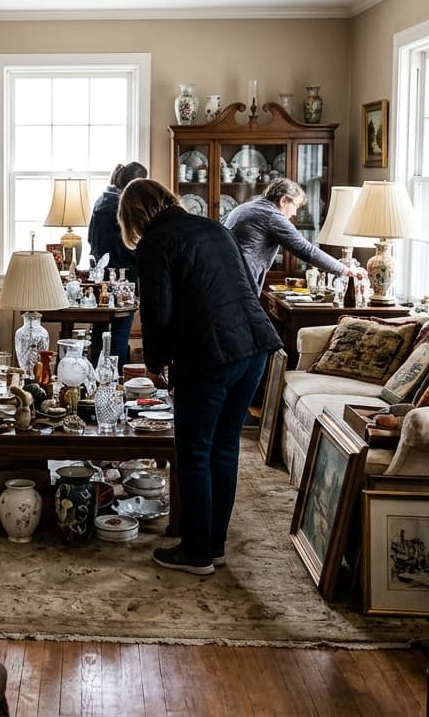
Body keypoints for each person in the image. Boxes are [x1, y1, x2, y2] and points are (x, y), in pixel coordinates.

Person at [118, 178, 282, 575]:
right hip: (256, 346)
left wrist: (154, 365)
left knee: (192, 453)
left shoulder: (155, 243)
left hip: (210, 356)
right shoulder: (213, 227)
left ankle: (195, 553)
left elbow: (157, 313)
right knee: (223, 449)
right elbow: (243, 286)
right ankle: (214, 545)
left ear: (133, 217)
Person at [223, 178, 364, 296]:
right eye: (295, 205)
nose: (295, 212)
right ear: (283, 200)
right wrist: (344, 270)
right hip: (241, 283)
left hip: (225, 277)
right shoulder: (272, 215)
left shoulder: (245, 207)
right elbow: (306, 250)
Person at [86, 161, 148, 366]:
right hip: (123, 275)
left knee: (99, 329)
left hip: (99, 274)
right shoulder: (124, 207)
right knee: (121, 329)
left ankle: (95, 377)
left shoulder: (100, 202)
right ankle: (118, 379)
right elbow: (131, 245)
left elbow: (90, 240)